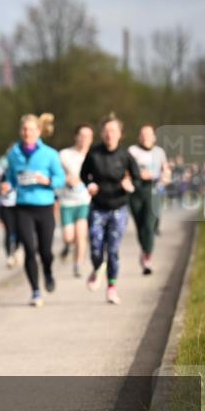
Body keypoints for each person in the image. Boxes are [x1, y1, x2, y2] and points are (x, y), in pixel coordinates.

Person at [1, 113, 65, 307]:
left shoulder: (50, 154)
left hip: (45, 207)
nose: (27, 133)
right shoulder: (13, 153)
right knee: (29, 248)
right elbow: (11, 177)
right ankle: (35, 291)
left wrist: (47, 180)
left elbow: (60, 179)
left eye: (30, 129)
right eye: (24, 129)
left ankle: (48, 271)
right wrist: (7, 185)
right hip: (23, 207)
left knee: (45, 251)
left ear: (39, 131)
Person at [81, 113, 141, 304]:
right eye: (106, 131)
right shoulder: (94, 153)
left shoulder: (125, 155)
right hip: (98, 207)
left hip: (118, 207)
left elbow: (137, 178)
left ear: (120, 134)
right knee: (96, 247)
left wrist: (130, 184)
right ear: (101, 134)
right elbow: (84, 175)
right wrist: (89, 185)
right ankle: (97, 267)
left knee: (113, 250)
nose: (109, 134)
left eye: (113, 131)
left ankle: (112, 288)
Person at [129, 125, 171, 275]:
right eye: (143, 134)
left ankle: (147, 257)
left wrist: (166, 176)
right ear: (139, 137)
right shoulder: (133, 151)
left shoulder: (159, 152)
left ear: (154, 137)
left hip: (153, 190)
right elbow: (125, 170)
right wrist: (138, 175)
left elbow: (165, 169)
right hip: (135, 191)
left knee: (149, 225)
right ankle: (145, 250)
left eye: (148, 134)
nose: (145, 137)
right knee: (140, 226)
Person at [58, 124, 94, 278]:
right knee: (69, 237)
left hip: (84, 201)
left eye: (88, 136)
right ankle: (67, 246)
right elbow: (56, 172)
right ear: (76, 136)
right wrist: (66, 178)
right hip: (66, 201)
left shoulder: (94, 156)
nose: (85, 139)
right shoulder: (64, 154)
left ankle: (77, 265)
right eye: (82, 135)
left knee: (81, 235)